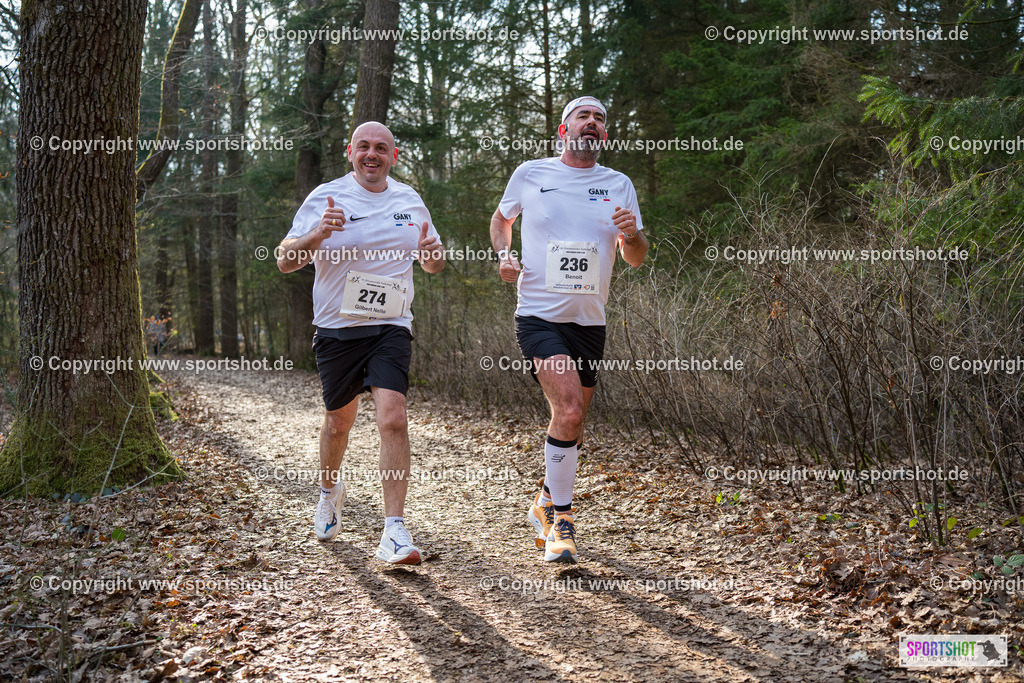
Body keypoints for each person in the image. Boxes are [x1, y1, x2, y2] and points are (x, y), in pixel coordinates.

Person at [489, 96, 648, 563]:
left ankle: (543, 501)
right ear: (564, 130)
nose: (593, 122)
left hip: (589, 321)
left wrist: (633, 234)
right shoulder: (531, 173)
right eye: (584, 116)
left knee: (573, 425)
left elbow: (635, 257)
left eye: (600, 118)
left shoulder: (618, 184)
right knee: (571, 408)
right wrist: (504, 255)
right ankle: (562, 523)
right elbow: (501, 219)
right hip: (539, 314)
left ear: (604, 133)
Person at [278, 121, 445, 565]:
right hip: (337, 328)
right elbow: (285, 260)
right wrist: (317, 234)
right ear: (350, 152)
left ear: (394, 156)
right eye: (364, 147)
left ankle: (394, 529)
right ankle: (328, 492)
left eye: (382, 148)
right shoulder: (326, 197)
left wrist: (432, 254)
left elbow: (433, 262)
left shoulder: (410, 200)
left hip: (391, 325)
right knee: (338, 423)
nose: (373, 154)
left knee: (394, 417)